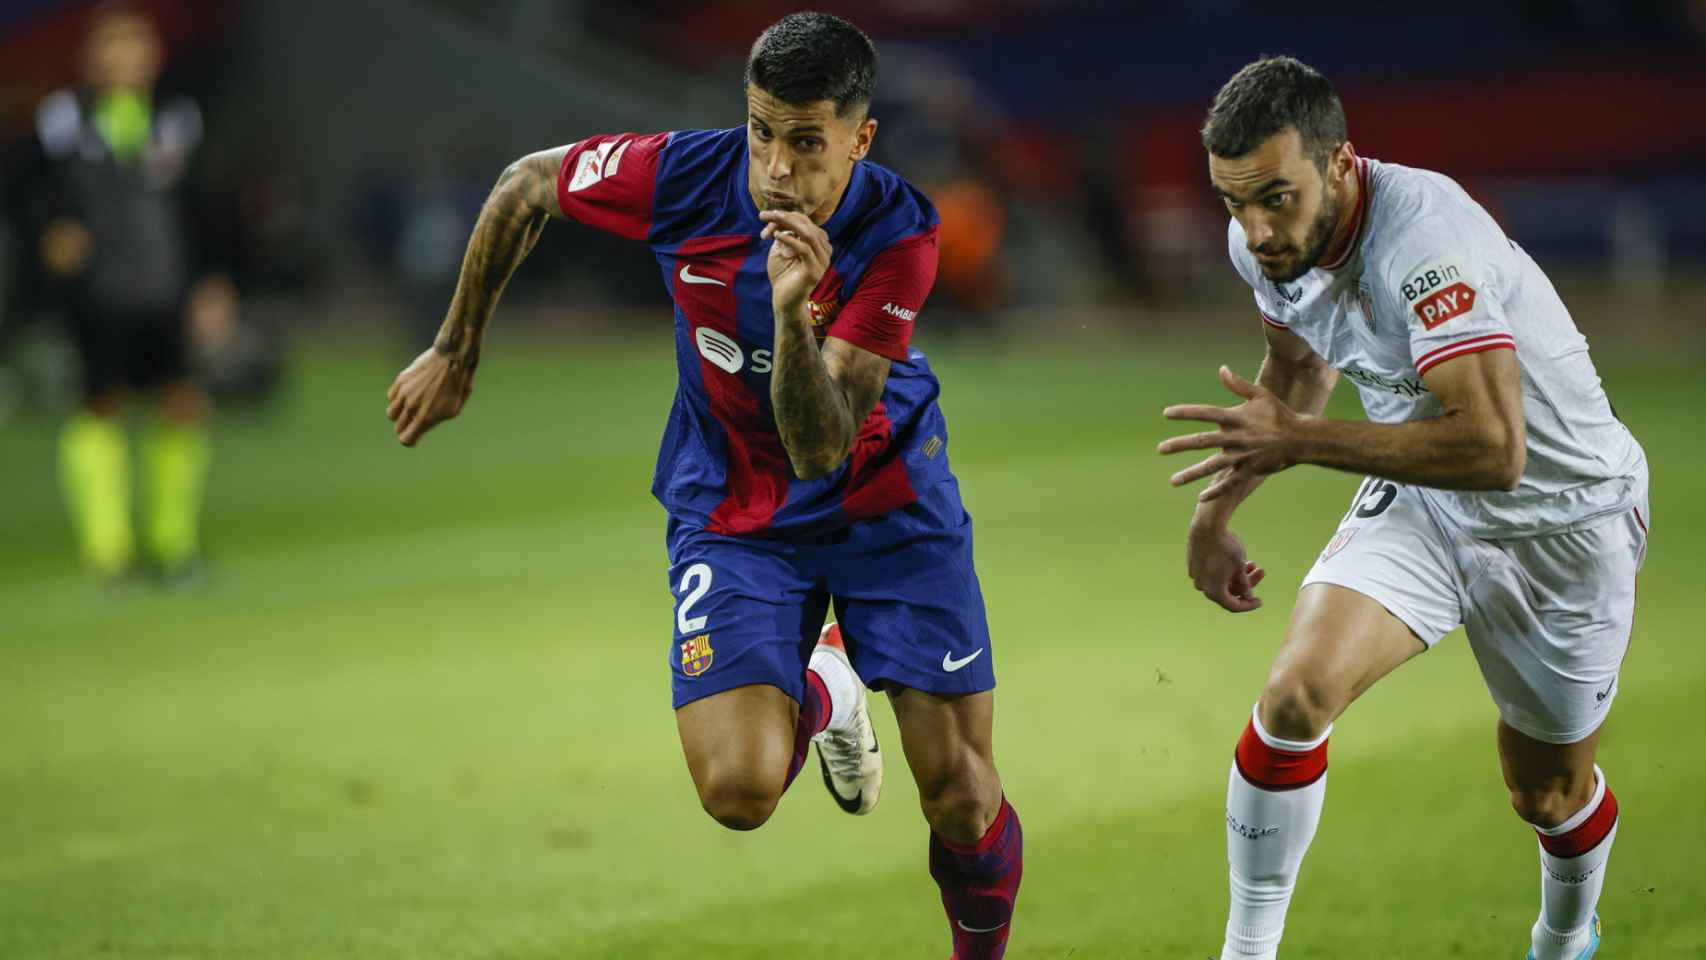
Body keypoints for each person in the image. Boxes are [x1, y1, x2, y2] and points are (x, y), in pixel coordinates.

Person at [384, 13, 1022, 957]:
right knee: (737, 791)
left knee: (962, 797)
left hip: (884, 501)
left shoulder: (900, 234)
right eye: (762, 130)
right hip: (734, 507)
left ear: (859, 137)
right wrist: (456, 348)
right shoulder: (681, 175)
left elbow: (822, 448)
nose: (775, 167)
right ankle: (826, 689)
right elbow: (526, 186)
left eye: (807, 142)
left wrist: (790, 312)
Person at [1158, 56, 1647, 960]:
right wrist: (1215, 514)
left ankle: (1564, 938)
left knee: (1543, 792)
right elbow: (1300, 369)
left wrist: (1301, 442)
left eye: (1276, 197)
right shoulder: (1265, 239)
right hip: (1427, 500)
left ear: (1341, 163)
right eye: (1234, 202)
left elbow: (1497, 450)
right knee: (1296, 697)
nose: (1257, 229)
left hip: (1565, 521)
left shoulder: (1428, 242)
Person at [32, 2, 227, 581]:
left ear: (154, 55)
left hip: (164, 286)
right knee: (103, 405)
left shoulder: (177, 118)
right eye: (113, 47)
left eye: (135, 46)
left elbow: (201, 207)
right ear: (90, 58)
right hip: (99, 290)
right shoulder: (63, 119)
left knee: (182, 405)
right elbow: (30, 191)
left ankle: (173, 544)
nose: (125, 58)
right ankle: (108, 549)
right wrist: (52, 233)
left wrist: (212, 281)